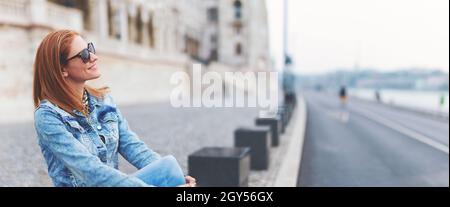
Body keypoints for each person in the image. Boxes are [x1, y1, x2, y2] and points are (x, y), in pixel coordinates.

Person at [33, 30, 196, 187]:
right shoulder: (48, 116)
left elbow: (134, 147)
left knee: (168, 166)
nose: (94, 57)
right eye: (84, 55)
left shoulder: (103, 100)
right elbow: (91, 171)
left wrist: (179, 179)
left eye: (90, 49)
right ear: (62, 70)